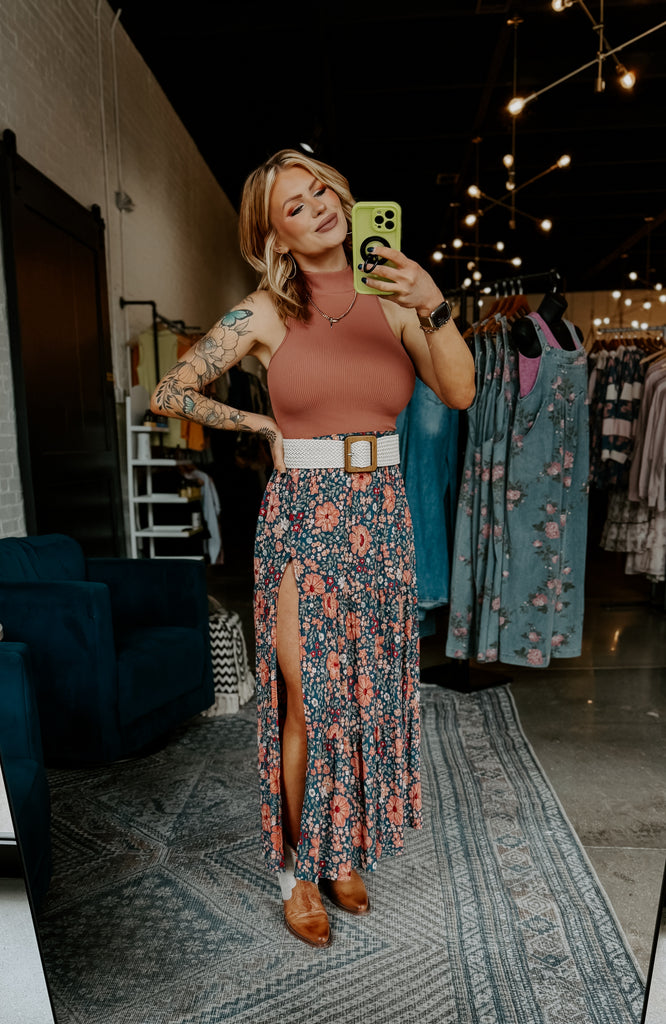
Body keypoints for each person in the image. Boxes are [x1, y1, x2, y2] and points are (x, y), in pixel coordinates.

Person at [151, 148, 475, 948]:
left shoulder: (397, 297)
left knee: (362, 697)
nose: (319, 206)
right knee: (310, 698)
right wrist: (260, 423)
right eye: (294, 206)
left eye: (322, 190)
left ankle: (341, 850)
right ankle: (297, 871)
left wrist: (433, 303)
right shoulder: (265, 311)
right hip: (304, 514)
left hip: (383, 514)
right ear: (275, 237)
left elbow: (460, 389)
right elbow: (171, 390)